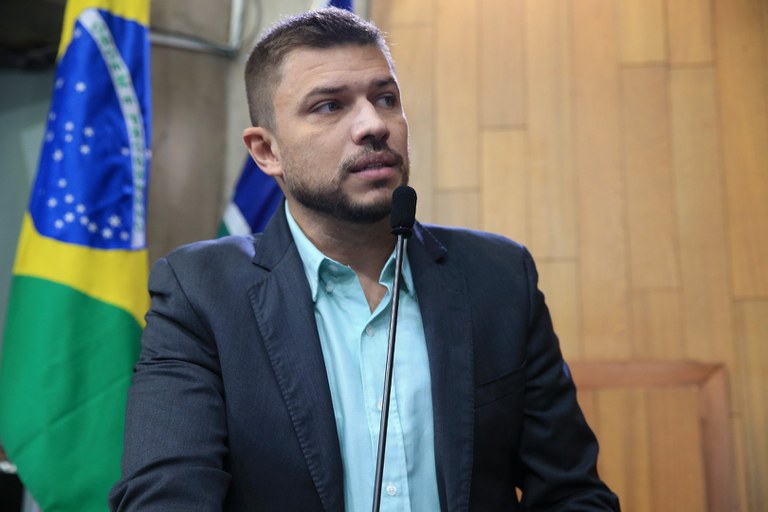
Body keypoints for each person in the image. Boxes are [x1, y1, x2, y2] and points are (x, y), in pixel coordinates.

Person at [109, 7, 620, 511]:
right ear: (267, 151)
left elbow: (573, 493)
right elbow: (166, 498)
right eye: (329, 106)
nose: (374, 124)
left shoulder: (500, 276)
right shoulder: (200, 293)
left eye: (386, 98)